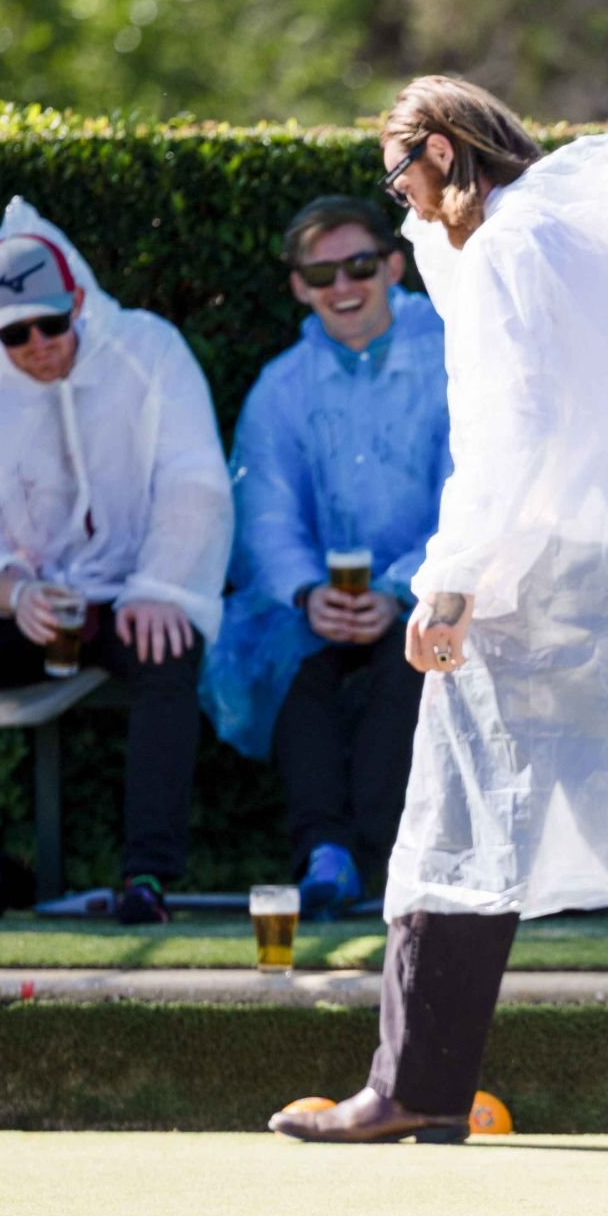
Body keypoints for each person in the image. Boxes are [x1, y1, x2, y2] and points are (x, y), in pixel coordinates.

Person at [269, 77, 608, 1143]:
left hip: (530, 575)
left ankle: (415, 1087)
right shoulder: (577, 235)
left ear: (443, 150)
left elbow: (508, 429)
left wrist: (451, 575)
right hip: (606, 562)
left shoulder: (508, 245)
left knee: (454, 821)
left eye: (401, 176)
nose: (403, 206)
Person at [0, 200, 233, 926]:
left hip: (132, 598)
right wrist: (16, 594)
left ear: (80, 303)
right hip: (33, 610)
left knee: (170, 645)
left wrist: (161, 586)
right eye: (14, 332)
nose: (38, 344)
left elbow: (194, 480)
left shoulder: (150, 351)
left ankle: (147, 878)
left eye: (52, 322)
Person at [202, 196, 448, 917]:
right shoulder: (281, 385)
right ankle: (324, 854)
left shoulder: (453, 356)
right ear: (300, 286)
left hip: (430, 594)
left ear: (394, 266)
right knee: (293, 669)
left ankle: (381, 860)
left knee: (407, 671)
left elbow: (470, 489)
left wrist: (402, 588)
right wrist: (309, 592)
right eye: (322, 273)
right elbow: (263, 510)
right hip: (315, 602)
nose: (343, 286)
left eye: (360, 266)